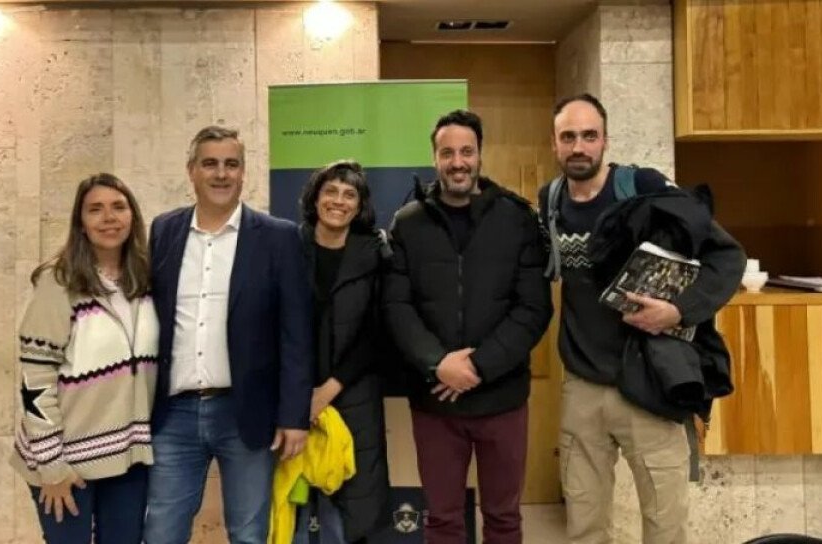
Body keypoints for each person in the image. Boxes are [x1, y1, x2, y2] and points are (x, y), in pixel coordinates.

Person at [538, 93, 745, 544]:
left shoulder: (643, 186)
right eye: (568, 137)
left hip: (648, 383)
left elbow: (727, 257)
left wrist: (678, 311)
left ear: (605, 140)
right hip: (582, 388)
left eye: (589, 136)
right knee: (584, 528)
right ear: (553, 144)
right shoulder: (550, 200)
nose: (579, 147)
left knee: (665, 527)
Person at [384, 110, 553, 544]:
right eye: (447, 153)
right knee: (442, 520)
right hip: (435, 401)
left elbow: (534, 308)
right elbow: (396, 307)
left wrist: (477, 366)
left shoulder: (517, 218)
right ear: (434, 157)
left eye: (466, 151)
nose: (457, 162)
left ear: (480, 154)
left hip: (502, 398)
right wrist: (437, 363)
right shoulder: (408, 223)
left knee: (503, 518)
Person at [144, 126, 314, 544]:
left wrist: (293, 416)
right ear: (191, 171)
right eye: (210, 164)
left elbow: (296, 334)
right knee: (161, 532)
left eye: (231, 164)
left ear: (243, 173)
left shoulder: (278, 237)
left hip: (247, 414)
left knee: (249, 534)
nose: (221, 174)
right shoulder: (164, 231)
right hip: (173, 413)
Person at [11, 173, 158, 544]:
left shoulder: (145, 280)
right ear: (81, 222)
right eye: (95, 210)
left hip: (127, 457)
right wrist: (52, 465)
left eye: (118, 207)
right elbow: (34, 381)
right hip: (65, 461)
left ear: (133, 216)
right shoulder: (58, 282)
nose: (109, 218)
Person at [293, 160, 391, 543]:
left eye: (349, 194)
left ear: (360, 205)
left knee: (352, 508)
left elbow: (377, 332)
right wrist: (302, 393)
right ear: (315, 198)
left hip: (354, 395)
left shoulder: (375, 254)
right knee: (295, 501)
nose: (339, 201)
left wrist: (329, 390)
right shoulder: (288, 246)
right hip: (295, 396)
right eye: (330, 191)